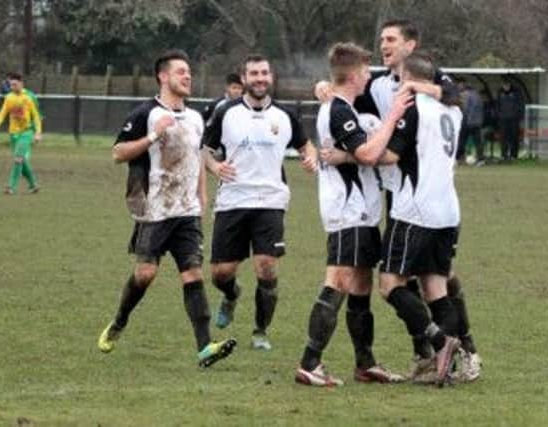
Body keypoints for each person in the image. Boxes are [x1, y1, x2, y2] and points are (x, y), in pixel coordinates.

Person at [316, 18, 481, 383]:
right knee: (431, 283)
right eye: (381, 39)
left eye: (391, 39)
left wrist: (348, 156)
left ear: (411, 45)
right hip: (434, 204)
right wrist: (326, 87)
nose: (383, 45)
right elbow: (345, 98)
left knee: (401, 283)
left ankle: (456, 348)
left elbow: (386, 152)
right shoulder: (375, 85)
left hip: (415, 204)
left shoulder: (431, 89)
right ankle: (436, 358)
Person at [97, 49, 236, 368]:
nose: (188, 76)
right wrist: (153, 135)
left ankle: (205, 348)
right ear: (163, 76)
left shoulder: (196, 118)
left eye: (189, 72)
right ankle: (119, 321)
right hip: (154, 210)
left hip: (186, 212)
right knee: (145, 274)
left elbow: (197, 157)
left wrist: (201, 197)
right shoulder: (145, 113)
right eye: (181, 72)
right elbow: (118, 153)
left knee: (192, 274)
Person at [295, 42, 410, 387]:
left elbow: (355, 156)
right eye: (364, 70)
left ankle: (365, 363)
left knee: (361, 284)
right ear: (353, 74)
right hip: (347, 210)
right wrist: (392, 118)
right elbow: (368, 153)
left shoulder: (342, 105)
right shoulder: (340, 110)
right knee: (339, 280)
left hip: (363, 211)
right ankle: (309, 363)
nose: (367, 76)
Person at [202, 53, 317, 351]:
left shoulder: (286, 115)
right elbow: (204, 150)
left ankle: (260, 332)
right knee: (221, 273)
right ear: (243, 79)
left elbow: (307, 145)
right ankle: (231, 294)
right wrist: (215, 167)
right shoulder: (226, 112)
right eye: (254, 73)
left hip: (270, 200)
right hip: (233, 200)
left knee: (266, 267)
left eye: (265, 73)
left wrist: (310, 157)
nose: (260, 78)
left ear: (271, 77)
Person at [377, 51, 463, 386]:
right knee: (436, 291)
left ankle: (440, 343)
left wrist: (353, 152)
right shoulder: (453, 110)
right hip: (447, 211)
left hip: (414, 211)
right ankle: (446, 368)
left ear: (407, 78)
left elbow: (390, 155)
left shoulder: (412, 107)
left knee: (388, 286)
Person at [0, 72, 42, 195]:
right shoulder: (9, 98)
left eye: (14, 84)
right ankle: (33, 185)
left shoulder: (28, 97)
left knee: (18, 159)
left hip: (26, 133)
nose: (12, 87)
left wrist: (38, 133)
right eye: (10, 85)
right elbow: (2, 113)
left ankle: (10, 187)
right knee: (22, 160)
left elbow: (36, 116)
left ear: (21, 84)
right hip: (13, 134)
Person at [497, 80, 524, 160]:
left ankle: (513, 155)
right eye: (504, 84)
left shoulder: (517, 92)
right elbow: (498, 105)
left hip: (514, 119)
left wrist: (519, 116)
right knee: (503, 137)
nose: (505, 86)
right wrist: (499, 115)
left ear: (510, 84)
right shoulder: (500, 92)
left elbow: (520, 105)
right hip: (503, 119)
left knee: (514, 137)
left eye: (507, 84)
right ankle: (504, 154)